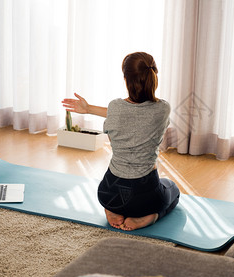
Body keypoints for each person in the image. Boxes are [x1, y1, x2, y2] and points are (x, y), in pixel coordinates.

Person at [62, 52, 180, 231]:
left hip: (110, 193)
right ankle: (149, 217)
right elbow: (137, 114)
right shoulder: (163, 109)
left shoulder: (115, 107)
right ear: (153, 76)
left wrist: (88, 109)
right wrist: (89, 109)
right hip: (146, 196)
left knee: (120, 196)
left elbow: (121, 114)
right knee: (173, 190)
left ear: (126, 79)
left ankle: (113, 211)